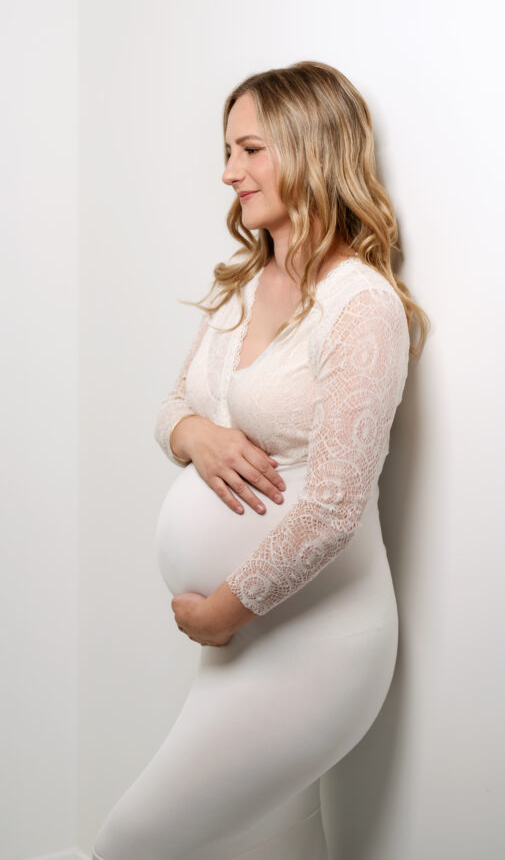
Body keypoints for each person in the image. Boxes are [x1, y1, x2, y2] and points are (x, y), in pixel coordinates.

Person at [91, 61, 428, 860]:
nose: (227, 172)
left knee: (128, 845)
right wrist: (198, 438)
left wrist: (223, 610)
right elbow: (173, 409)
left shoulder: (361, 306)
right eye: (227, 150)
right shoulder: (249, 282)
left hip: (314, 639)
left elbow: (336, 506)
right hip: (249, 635)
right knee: (276, 847)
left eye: (248, 150)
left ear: (308, 149)